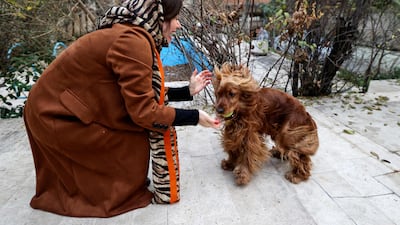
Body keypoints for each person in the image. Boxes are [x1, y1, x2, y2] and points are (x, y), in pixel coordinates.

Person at [23, 0, 220, 218]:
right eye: (174, 18)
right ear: (158, 17)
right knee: (133, 139)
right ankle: (103, 192)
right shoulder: (132, 41)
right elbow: (144, 112)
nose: (178, 25)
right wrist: (195, 116)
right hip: (56, 115)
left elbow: (135, 92)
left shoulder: (131, 34)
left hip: (60, 107)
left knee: (132, 135)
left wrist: (186, 91)